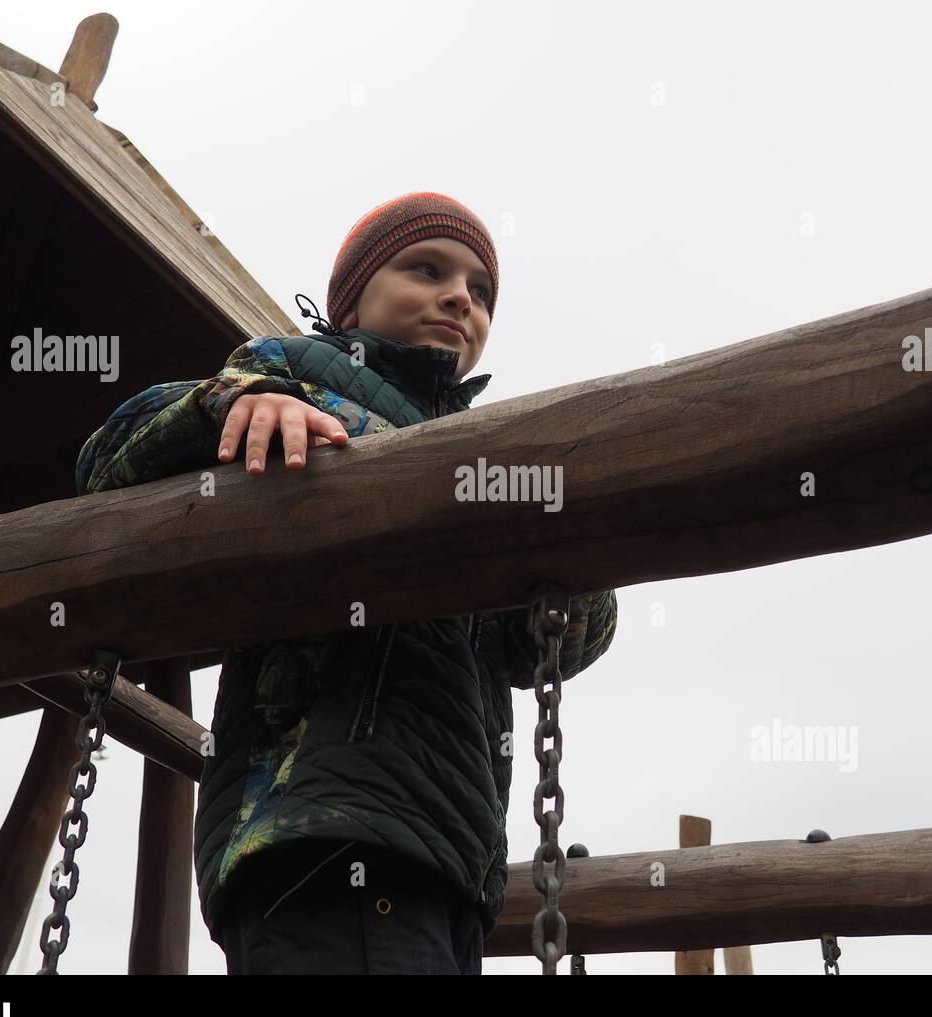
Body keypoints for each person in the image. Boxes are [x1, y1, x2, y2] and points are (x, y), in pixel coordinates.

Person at [75, 192, 618, 974]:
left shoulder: (483, 445)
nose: (460, 296)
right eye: (426, 269)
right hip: (324, 831)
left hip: (448, 857)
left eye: (481, 290)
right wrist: (238, 404)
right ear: (351, 298)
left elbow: (545, 648)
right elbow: (109, 457)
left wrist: (578, 559)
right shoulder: (293, 372)